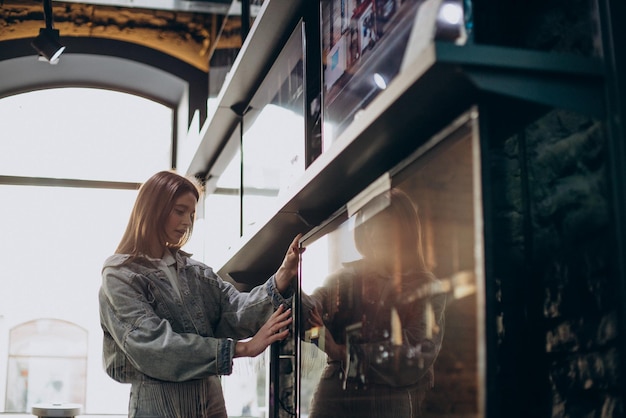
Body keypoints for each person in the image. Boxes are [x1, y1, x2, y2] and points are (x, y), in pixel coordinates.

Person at [98, 170, 302, 418]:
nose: (187, 222)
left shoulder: (197, 272)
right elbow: (151, 346)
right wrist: (241, 349)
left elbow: (235, 310)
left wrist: (282, 276)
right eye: (179, 211)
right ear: (153, 209)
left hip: (211, 402)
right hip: (158, 408)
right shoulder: (119, 275)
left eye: (192, 214)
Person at [301, 188, 446, 418]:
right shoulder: (344, 278)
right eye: (368, 226)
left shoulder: (426, 288)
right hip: (334, 394)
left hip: (386, 398)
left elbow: (414, 355)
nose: (373, 234)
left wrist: (342, 352)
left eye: (383, 225)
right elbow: (308, 309)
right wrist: (294, 297)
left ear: (403, 229)